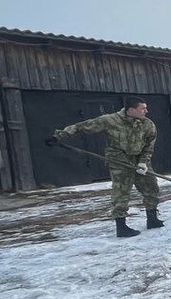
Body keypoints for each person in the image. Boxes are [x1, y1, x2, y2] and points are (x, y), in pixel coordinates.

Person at [49, 96, 163, 238]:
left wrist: (143, 162)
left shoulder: (147, 124)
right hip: (118, 160)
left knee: (151, 187)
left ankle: (152, 219)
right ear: (131, 110)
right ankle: (121, 227)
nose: (146, 111)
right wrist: (59, 136)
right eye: (143, 108)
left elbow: (149, 146)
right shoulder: (110, 120)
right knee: (121, 192)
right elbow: (83, 126)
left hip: (139, 159)